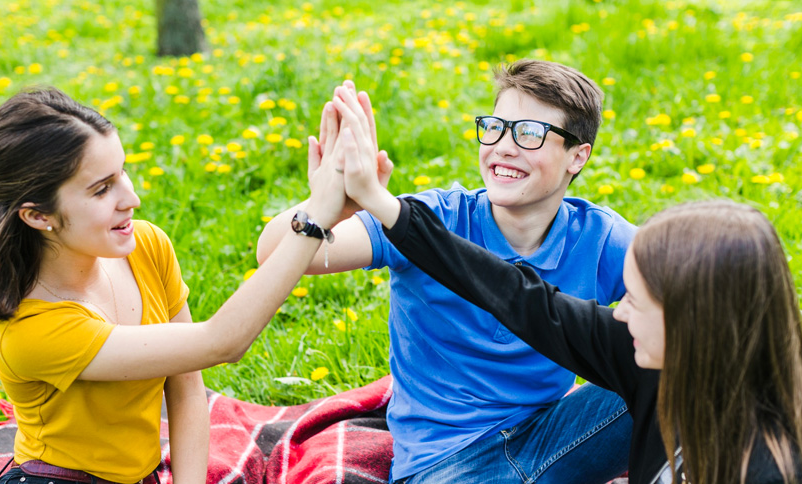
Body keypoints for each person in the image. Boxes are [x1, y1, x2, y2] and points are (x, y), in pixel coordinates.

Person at [333, 91, 802, 483]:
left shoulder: (774, 465)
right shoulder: (638, 357)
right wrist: (377, 202)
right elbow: (519, 296)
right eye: (497, 128)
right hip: (452, 465)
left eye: (636, 302)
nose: (618, 314)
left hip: (540, 441)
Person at [258, 60, 635, 483]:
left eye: (529, 134)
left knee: (678, 371)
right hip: (448, 464)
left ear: (577, 156)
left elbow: (688, 294)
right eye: (495, 127)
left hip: (556, 437)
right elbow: (276, 253)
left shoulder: (598, 238)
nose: (504, 147)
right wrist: (329, 206)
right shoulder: (432, 220)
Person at [0, 87, 347, 484]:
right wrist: (313, 220)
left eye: (122, 171)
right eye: (102, 188)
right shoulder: (32, 330)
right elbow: (223, 342)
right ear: (38, 216)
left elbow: (188, 388)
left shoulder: (146, 246)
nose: (132, 198)